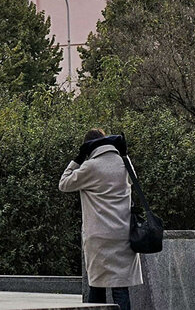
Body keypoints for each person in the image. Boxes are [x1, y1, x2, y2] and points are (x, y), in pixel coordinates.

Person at [58, 128, 142, 310]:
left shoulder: (91, 166)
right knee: (120, 288)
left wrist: (77, 160)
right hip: (123, 233)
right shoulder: (124, 162)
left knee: (96, 285)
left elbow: (63, 184)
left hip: (99, 237)